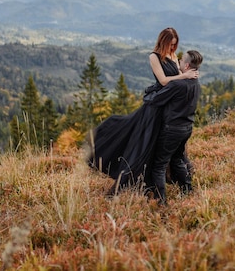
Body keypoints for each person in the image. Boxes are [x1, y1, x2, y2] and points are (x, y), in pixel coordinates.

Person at [86, 27, 198, 194]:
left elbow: (178, 82)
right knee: (144, 144)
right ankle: (144, 184)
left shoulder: (174, 56)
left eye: (175, 45)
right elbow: (164, 81)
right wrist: (183, 76)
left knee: (164, 148)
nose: (172, 48)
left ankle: (170, 183)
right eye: (170, 44)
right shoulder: (154, 57)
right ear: (163, 41)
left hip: (168, 109)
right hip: (155, 108)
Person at [144, 50, 203, 205]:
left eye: (181, 60)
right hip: (187, 128)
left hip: (172, 129)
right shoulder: (195, 83)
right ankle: (188, 191)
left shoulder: (178, 84)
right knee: (177, 159)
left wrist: (148, 93)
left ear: (187, 65)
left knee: (159, 166)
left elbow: (155, 100)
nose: (179, 61)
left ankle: (161, 202)